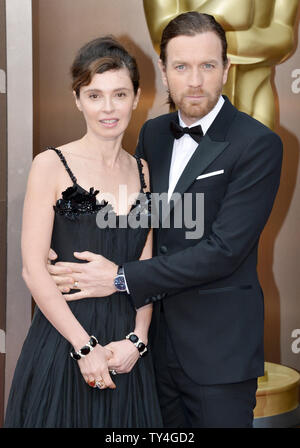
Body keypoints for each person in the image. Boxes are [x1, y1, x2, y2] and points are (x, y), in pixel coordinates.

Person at [47, 13, 283, 428]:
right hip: (148, 347)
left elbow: (224, 251)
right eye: (181, 66)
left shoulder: (258, 144)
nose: (195, 80)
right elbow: (138, 222)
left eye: (208, 66)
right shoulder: (153, 135)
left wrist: (120, 277)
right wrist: (64, 245)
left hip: (218, 355)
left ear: (226, 70)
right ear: (163, 70)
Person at [4, 36, 163, 428]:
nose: (108, 108)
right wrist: (84, 347)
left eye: (119, 94)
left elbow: (147, 263)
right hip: (64, 343)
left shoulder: (144, 171)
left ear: (137, 96)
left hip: (124, 352)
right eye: (94, 95)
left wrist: (138, 340)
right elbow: (33, 270)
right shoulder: (51, 164)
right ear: (78, 100)